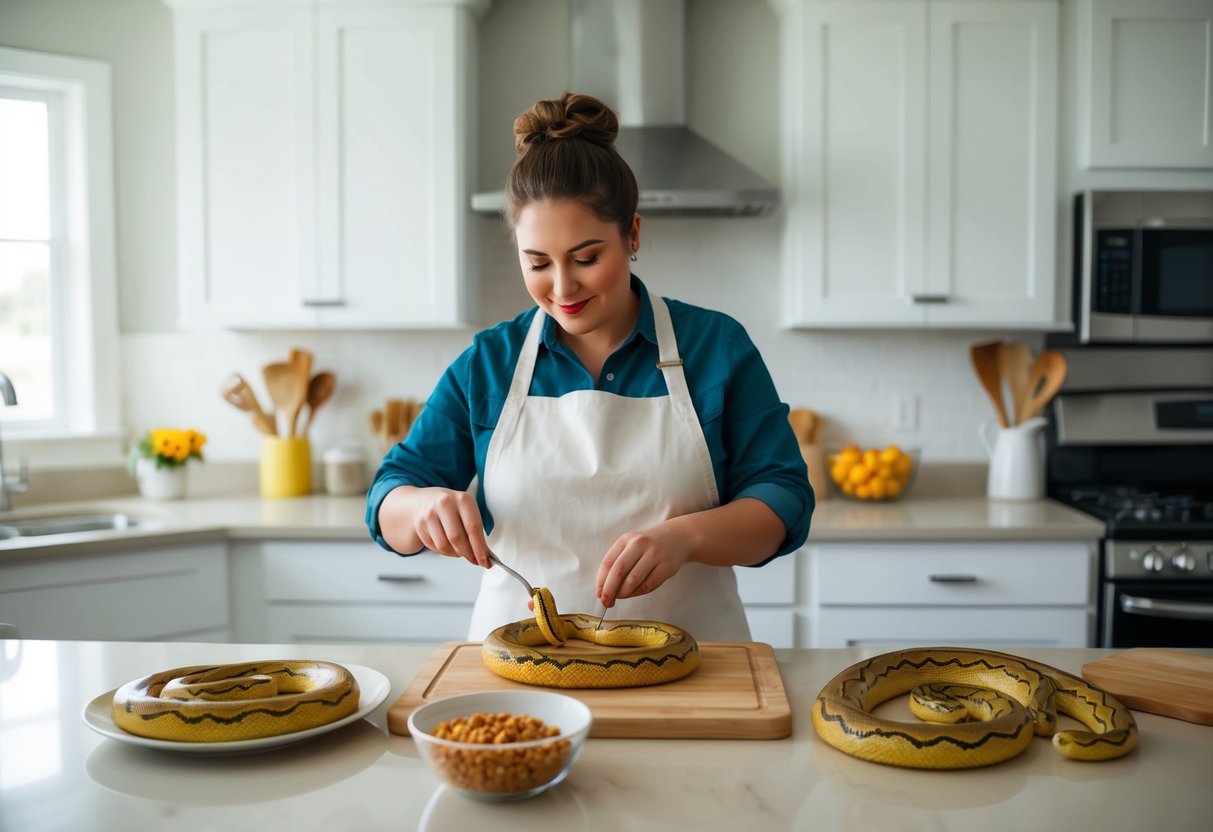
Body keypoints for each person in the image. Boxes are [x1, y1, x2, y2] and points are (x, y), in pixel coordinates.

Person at [366, 91, 813, 642]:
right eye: (537, 263)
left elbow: (783, 499)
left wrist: (687, 538)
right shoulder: (490, 362)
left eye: (586, 258)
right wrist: (421, 507)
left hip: (693, 672)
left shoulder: (715, 347)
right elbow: (389, 496)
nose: (561, 287)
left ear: (633, 235)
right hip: (522, 685)